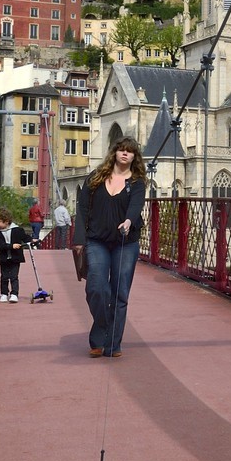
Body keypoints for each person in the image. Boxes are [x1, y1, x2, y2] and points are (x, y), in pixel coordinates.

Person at [73, 136, 147, 358]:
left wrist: (128, 221)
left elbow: (136, 205)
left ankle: (110, 344)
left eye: (130, 151)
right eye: (121, 150)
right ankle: (103, 329)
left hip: (126, 242)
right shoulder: (95, 178)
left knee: (119, 292)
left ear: (135, 156)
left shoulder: (137, 182)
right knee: (96, 286)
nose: (125, 153)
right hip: (97, 240)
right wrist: (78, 239)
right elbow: (82, 208)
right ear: (114, 152)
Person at [0, 207, 28, 303]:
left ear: (6, 221)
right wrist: (12, 246)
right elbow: (1, 245)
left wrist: (33, 240)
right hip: (4, 258)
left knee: (14, 276)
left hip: (15, 257)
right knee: (4, 276)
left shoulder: (17, 230)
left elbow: (24, 237)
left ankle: (14, 294)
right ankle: (4, 293)